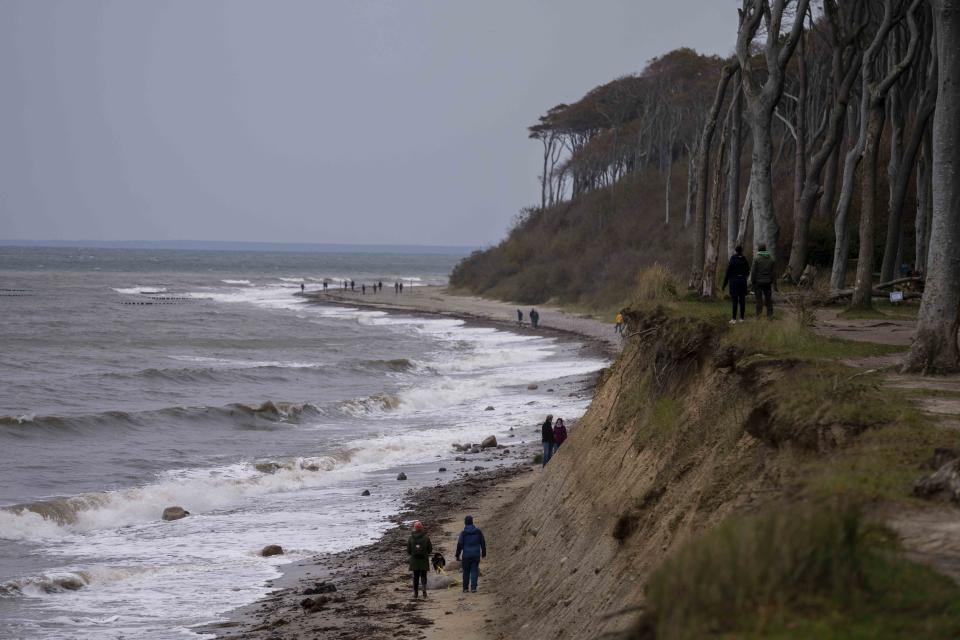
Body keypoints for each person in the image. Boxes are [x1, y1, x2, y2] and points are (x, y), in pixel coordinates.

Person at [455, 515, 486, 594]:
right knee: (474, 570)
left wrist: (457, 555)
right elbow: (482, 543)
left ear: (465, 523)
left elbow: (459, 545)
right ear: (472, 522)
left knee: (466, 571)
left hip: (466, 556)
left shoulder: (463, 533)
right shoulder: (478, 531)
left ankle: (465, 588)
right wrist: (483, 552)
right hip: (476, 555)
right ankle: (473, 588)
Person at [721, 245, 751, 324]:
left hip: (734, 281)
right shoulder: (744, 260)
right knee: (742, 300)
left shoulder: (732, 259)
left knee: (734, 300)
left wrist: (724, 284)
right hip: (742, 281)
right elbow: (748, 271)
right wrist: (743, 276)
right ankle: (742, 318)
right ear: (742, 251)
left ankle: (734, 319)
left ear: (735, 250)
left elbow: (728, 272)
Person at [407, 520, 433, 599]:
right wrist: (425, 553)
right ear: (421, 527)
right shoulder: (426, 537)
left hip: (414, 560)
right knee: (423, 576)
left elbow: (408, 551)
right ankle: (424, 591)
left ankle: (416, 593)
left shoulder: (410, 538)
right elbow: (430, 549)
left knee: (415, 577)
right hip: (423, 560)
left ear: (414, 528)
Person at [751, 243, 775, 319]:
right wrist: (773, 281)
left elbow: (753, 271)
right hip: (768, 282)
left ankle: (758, 315)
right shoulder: (771, 259)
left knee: (759, 300)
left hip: (758, 282)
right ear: (765, 249)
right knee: (768, 299)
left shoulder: (756, 259)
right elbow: (773, 272)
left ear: (759, 249)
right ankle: (770, 315)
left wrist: (752, 281)